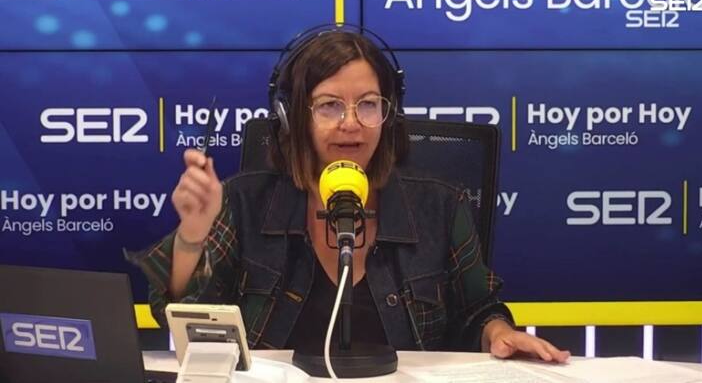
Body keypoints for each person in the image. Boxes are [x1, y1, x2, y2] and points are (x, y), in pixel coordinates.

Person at [132, 26, 569, 362]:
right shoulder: (243, 200)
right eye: (329, 105)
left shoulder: (440, 205)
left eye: (368, 104)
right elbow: (180, 318)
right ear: (291, 117)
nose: (351, 123)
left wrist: (498, 333)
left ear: (388, 113)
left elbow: (477, 310)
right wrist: (192, 236)